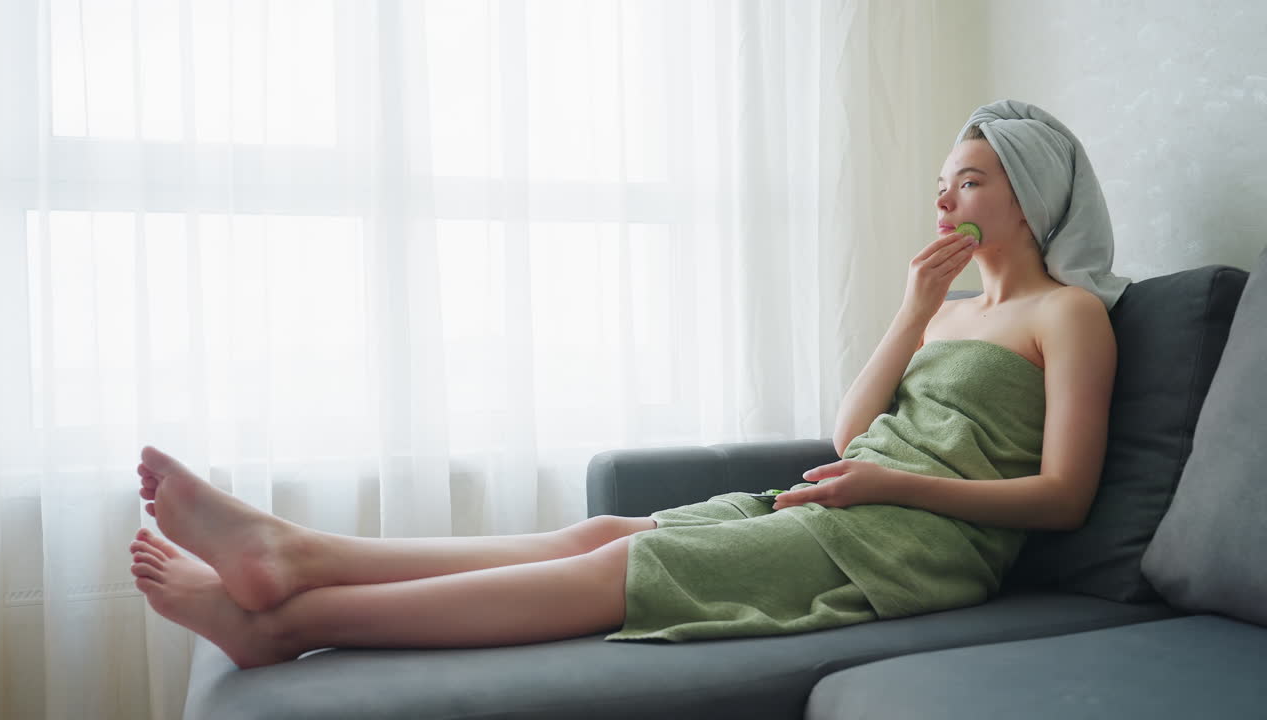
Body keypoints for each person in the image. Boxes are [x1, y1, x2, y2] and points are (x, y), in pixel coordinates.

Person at [128, 100, 1126, 669]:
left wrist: (888, 484)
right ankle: (298, 555)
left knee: (619, 569)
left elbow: (1063, 497)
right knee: (600, 531)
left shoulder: (1068, 313)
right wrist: (911, 311)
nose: (944, 199)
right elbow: (847, 430)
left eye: (970, 181)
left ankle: (287, 621)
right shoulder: (946, 311)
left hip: (922, 547)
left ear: (1031, 196)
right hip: (851, 505)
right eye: (942, 183)